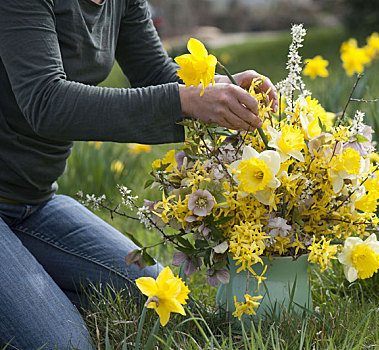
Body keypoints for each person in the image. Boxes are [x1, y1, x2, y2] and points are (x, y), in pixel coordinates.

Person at [0, 0, 278, 348]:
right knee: (63, 343)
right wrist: (184, 101)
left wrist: (224, 88)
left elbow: (155, 74)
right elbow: (46, 103)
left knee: (161, 299)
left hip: (33, 203)